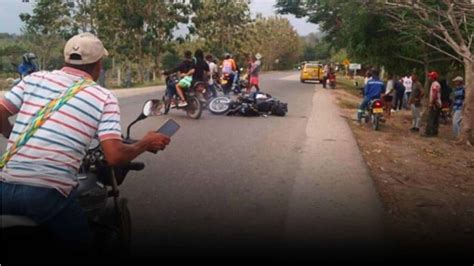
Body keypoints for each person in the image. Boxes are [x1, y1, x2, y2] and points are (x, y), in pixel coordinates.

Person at [0, 33, 170, 251]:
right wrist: (145, 143)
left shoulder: (34, 79)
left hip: (4, 188)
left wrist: (11, 133)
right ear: (98, 64)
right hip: (47, 194)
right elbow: (114, 155)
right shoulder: (102, 97)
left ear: (66, 59)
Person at [424, 71, 442, 137]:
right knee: (435, 118)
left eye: (430, 77)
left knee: (431, 118)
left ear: (432, 77)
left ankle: (429, 132)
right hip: (438, 103)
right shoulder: (437, 84)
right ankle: (434, 132)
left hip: (435, 103)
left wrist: (431, 103)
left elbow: (434, 94)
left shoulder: (435, 84)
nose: (429, 78)